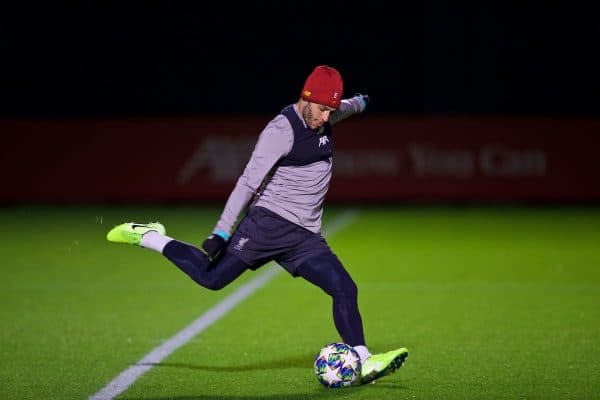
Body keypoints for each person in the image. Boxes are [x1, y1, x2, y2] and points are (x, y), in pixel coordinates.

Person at [106, 65, 408, 384]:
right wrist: (221, 232)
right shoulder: (281, 131)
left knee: (344, 288)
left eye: (330, 111)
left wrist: (363, 101)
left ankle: (364, 359)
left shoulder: (327, 113)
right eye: (321, 110)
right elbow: (248, 183)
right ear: (306, 98)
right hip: (266, 226)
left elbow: (347, 106)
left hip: (304, 237)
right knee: (211, 279)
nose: (324, 118)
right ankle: (151, 237)